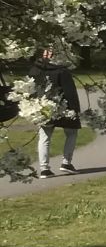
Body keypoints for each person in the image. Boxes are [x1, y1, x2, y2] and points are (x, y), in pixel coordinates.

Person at [28, 47, 81, 177]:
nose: (50, 53)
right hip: (63, 107)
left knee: (45, 136)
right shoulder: (62, 71)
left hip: (43, 107)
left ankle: (44, 168)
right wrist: (75, 110)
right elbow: (70, 92)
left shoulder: (35, 70)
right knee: (71, 133)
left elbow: (30, 89)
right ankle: (66, 163)